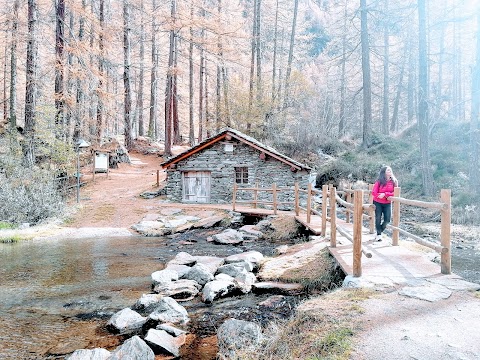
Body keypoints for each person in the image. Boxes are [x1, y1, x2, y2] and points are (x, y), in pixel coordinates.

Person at [372, 166, 398, 241]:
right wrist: (379, 195)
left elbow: (395, 192)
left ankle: (378, 231)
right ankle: (379, 235)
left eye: (390, 170)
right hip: (377, 202)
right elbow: (374, 192)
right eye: (388, 170)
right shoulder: (379, 181)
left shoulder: (394, 181)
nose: (390, 171)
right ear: (384, 172)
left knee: (387, 219)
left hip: (387, 203)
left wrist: (385, 194)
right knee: (378, 218)